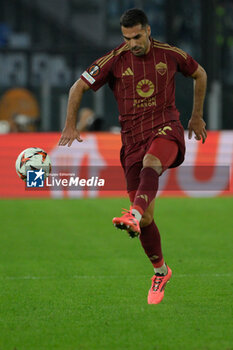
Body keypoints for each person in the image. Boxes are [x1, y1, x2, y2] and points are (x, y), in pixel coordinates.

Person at [58, 8, 207, 304]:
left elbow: (199, 73)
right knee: (149, 217)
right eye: (127, 38)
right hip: (132, 142)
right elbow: (78, 86)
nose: (132, 43)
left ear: (148, 30)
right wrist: (70, 124)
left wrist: (197, 116)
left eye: (137, 36)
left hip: (167, 128)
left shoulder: (170, 54)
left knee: (152, 165)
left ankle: (133, 214)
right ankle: (161, 270)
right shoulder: (114, 60)